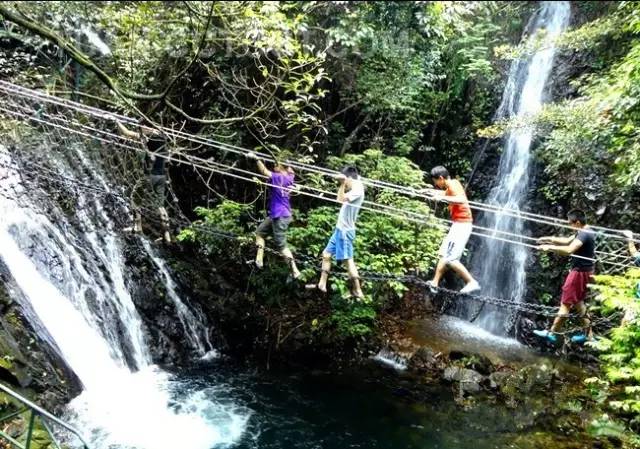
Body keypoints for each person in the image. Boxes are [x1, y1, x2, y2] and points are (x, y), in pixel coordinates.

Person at [534, 209, 596, 343]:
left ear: (577, 222)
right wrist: (549, 239)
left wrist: (549, 248)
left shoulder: (585, 234)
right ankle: (589, 336)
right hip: (585, 271)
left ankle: (552, 333)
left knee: (565, 304)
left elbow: (569, 250)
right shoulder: (586, 230)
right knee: (579, 304)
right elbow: (568, 240)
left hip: (578, 273)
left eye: (570, 223)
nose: (569, 225)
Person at [306, 166, 365, 299]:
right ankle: (322, 283)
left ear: (349, 179)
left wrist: (342, 183)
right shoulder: (356, 182)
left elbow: (339, 199)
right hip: (339, 230)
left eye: (347, 181)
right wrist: (343, 178)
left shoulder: (357, 190)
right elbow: (354, 175)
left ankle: (358, 290)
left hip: (345, 232)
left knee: (348, 261)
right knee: (326, 254)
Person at [425, 166, 480, 294]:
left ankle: (472, 282)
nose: (436, 185)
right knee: (444, 254)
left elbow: (460, 199)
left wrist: (441, 198)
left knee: (451, 259)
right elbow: (444, 194)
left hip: (463, 225)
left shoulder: (454, 185)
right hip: (458, 224)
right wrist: (429, 191)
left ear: (441, 178)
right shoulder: (451, 186)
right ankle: (435, 282)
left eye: (435, 182)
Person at [246, 152, 300, 279]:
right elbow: (290, 170)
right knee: (260, 232)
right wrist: (283, 163)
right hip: (277, 215)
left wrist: (257, 159)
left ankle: (295, 270)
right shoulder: (290, 177)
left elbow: (264, 171)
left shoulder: (278, 177)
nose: (274, 166)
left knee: (281, 245)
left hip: (280, 215)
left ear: (282, 168)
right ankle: (259, 259)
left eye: (276, 165)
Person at [117, 120, 171, 243]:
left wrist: (116, 121)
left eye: (141, 127)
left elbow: (127, 133)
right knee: (160, 206)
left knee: (135, 198)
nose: (140, 130)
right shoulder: (161, 136)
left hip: (149, 176)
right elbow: (129, 134)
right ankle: (166, 235)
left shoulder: (149, 136)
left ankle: (137, 226)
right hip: (161, 176)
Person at [621, 230, 640, 324]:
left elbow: (633, 252)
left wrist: (630, 238)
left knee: (625, 323)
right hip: (636, 300)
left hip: (637, 301)